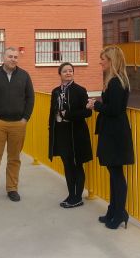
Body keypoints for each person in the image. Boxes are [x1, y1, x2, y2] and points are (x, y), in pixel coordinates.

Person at [0, 47, 34, 206]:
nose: (13, 59)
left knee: (14, 159)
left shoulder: (24, 76)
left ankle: (12, 189)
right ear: (3, 57)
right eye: (10, 56)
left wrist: (25, 118)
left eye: (16, 57)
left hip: (18, 124)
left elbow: (30, 98)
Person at [87, 46, 134, 230]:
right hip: (113, 132)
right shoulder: (115, 81)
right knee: (114, 174)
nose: (100, 62)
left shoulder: (116, 82)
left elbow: (115, 110)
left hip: (115, 134)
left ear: (112, 61)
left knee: (116, 175)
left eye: (103, 59)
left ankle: (119, 212)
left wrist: (96, 106)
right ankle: (114, 211)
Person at [48, 62, 93, 208]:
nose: (68, 73)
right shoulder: (55, 91)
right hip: (61, 134)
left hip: (77, 134)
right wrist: (51, 128)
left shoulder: (80, 90)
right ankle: (71, 194)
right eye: (65, 71)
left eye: (70, 71)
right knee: (67, 165)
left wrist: (69, 114)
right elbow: (52, 112)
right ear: (59, 74)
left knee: (77, 164)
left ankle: (77, 197)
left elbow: (88, 112)